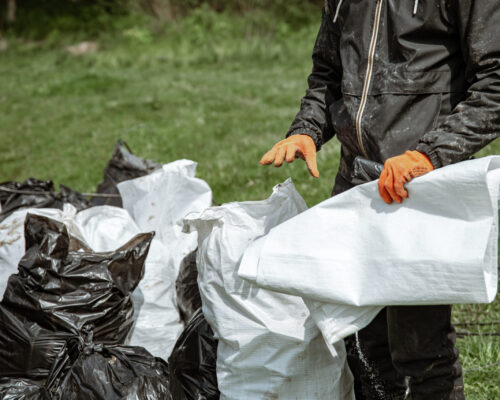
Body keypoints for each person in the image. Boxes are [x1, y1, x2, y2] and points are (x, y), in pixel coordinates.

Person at [260, 1, 500, 399]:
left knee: (419, 351)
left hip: (420, 187)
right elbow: (327, 72)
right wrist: (307, 129)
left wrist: (429, 154)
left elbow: (494, 86)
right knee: (362, 345)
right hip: (357, 183)